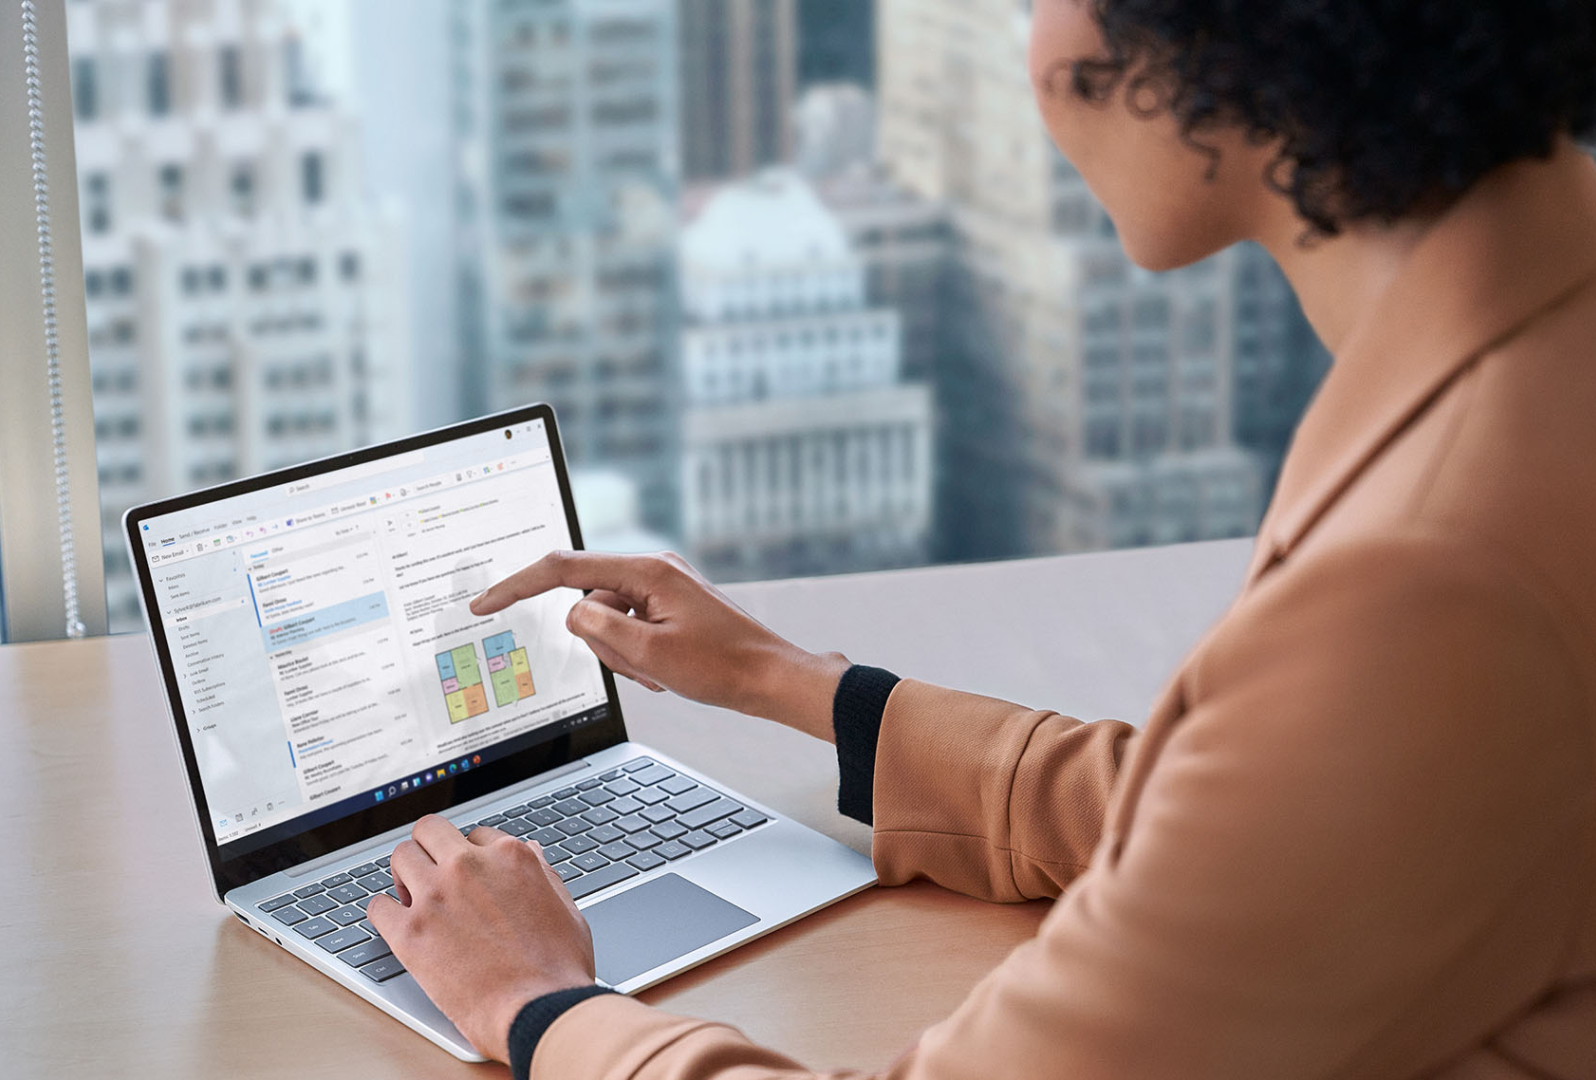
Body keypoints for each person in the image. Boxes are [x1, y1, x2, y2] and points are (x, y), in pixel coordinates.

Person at [366, 2, 1596, 1077]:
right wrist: (785, 683)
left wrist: (535, 1002)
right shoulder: (1540, 344)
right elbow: (1247, 822)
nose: (1041, 59)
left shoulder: (1431, 584)